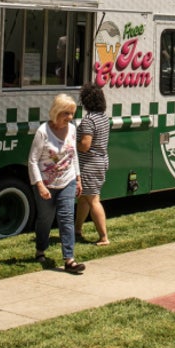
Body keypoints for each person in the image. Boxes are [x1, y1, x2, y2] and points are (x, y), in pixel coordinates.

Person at [28, 93, 85, 274]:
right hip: (46, 183)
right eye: (66, 113)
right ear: (56, 112)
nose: (69, 118)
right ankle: (40, 249)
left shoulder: (72, 128)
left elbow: (73, 154)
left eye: (72, 113)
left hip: (67, 180)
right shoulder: (43, 132)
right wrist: (40, 185)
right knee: (45, 219)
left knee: (66, 218)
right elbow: (32, 161)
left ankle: (69, 259)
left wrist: (78, 177)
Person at [75, 83, 111, 246]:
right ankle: (77, 230)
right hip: (101, 161)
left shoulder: (89, 120)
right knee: (84, 199)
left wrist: (71, 145)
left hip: (89, 164)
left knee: (93, 200)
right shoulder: (103, 117)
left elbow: (85, 145)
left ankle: (104, 237)